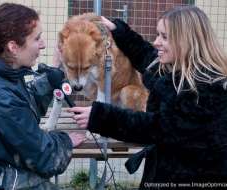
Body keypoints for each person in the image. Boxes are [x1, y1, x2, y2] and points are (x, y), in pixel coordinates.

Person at [68, 5, 227, 189]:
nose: (156, 42)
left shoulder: (206, 89)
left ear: (187, 41)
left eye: (164, 37)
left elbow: (155, 127)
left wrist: (102, 117)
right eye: (158, 34)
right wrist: (119, 32)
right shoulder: (180, 71)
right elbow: (146, 57)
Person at [0, 3, 87, 190]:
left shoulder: (0, 71)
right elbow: (44, 158)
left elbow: (27, 102)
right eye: (37, 38)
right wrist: (64, 141)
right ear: (13, 47)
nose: (42, 45)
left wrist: (53, 71)